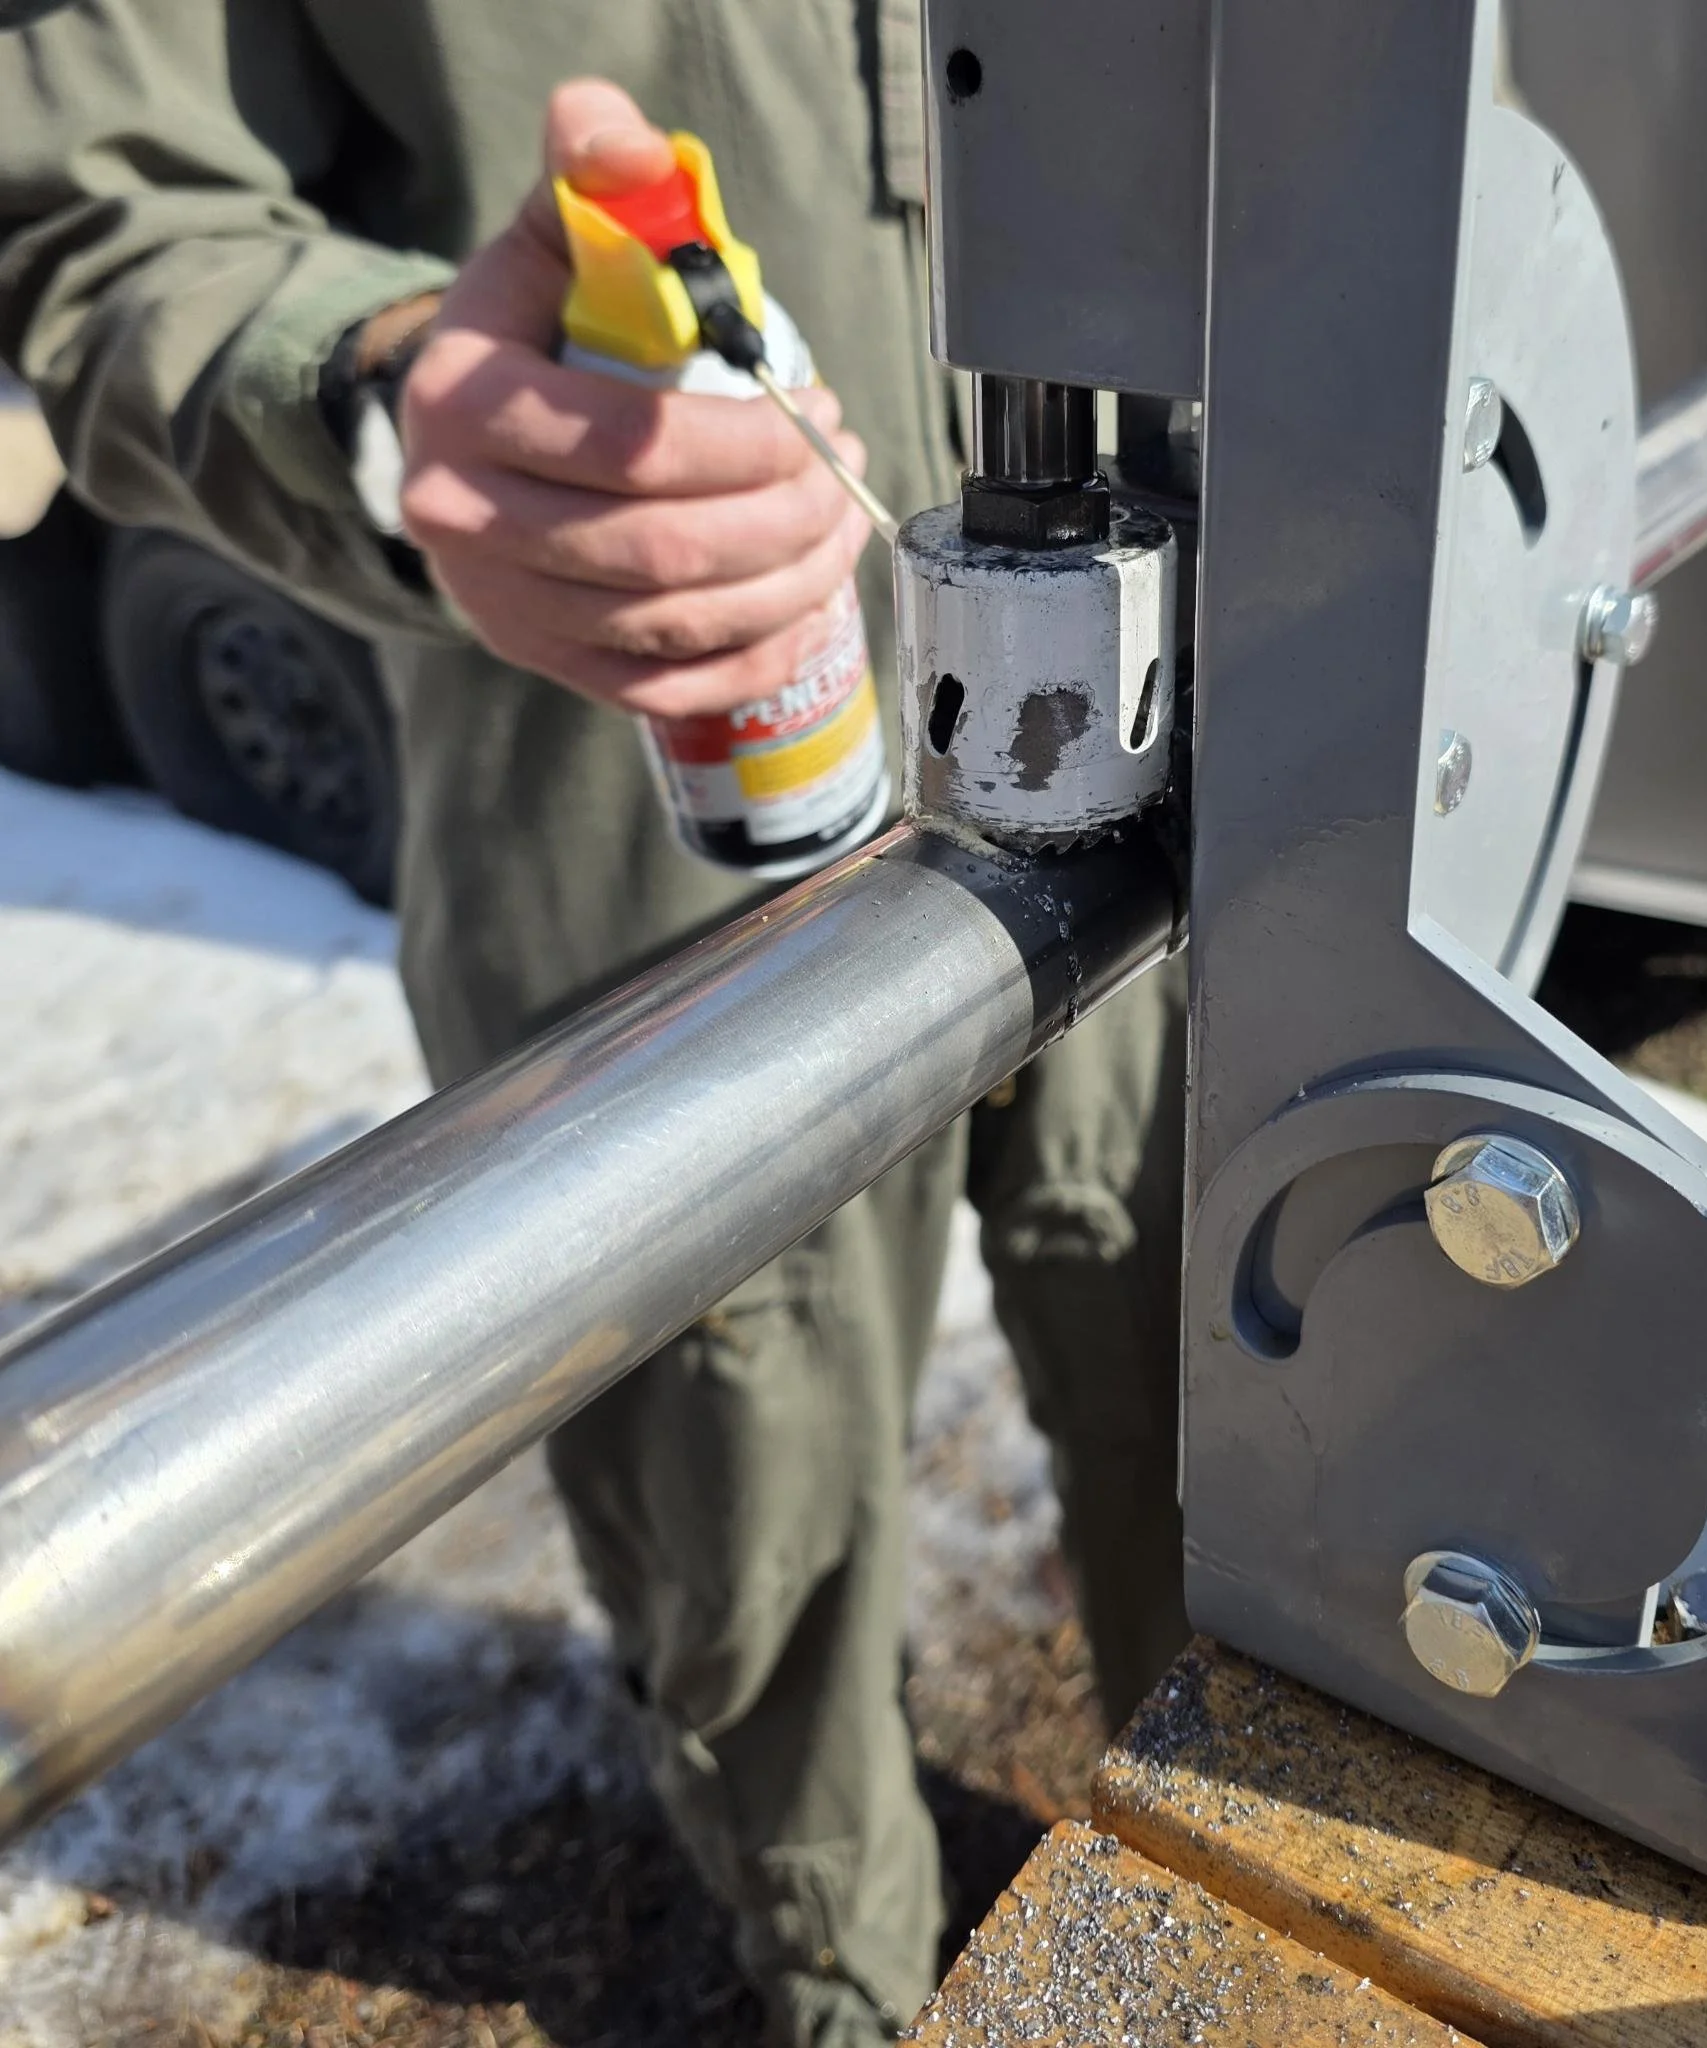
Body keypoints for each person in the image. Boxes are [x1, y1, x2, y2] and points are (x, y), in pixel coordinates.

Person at [0, 7, 1187, 2041]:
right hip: (633, 804)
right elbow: (102, 206)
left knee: (1222, 1407)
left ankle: (1239, 1923)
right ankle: (850, 1989)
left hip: (1168, 724)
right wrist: (382, 400)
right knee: (748, 1524)